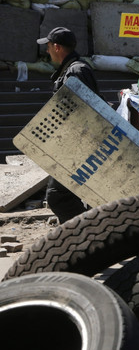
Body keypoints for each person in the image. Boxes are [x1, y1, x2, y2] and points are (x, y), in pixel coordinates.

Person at [37, 27, 101, 223]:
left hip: (80, 145)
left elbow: (90, 110)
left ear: (56, 47)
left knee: (58, 196)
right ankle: (89, 234)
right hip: (74, 144)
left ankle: (85, 235)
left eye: (48, 47)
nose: (47, 52)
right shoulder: (70, 69)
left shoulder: (77, 70)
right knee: (74, 196)